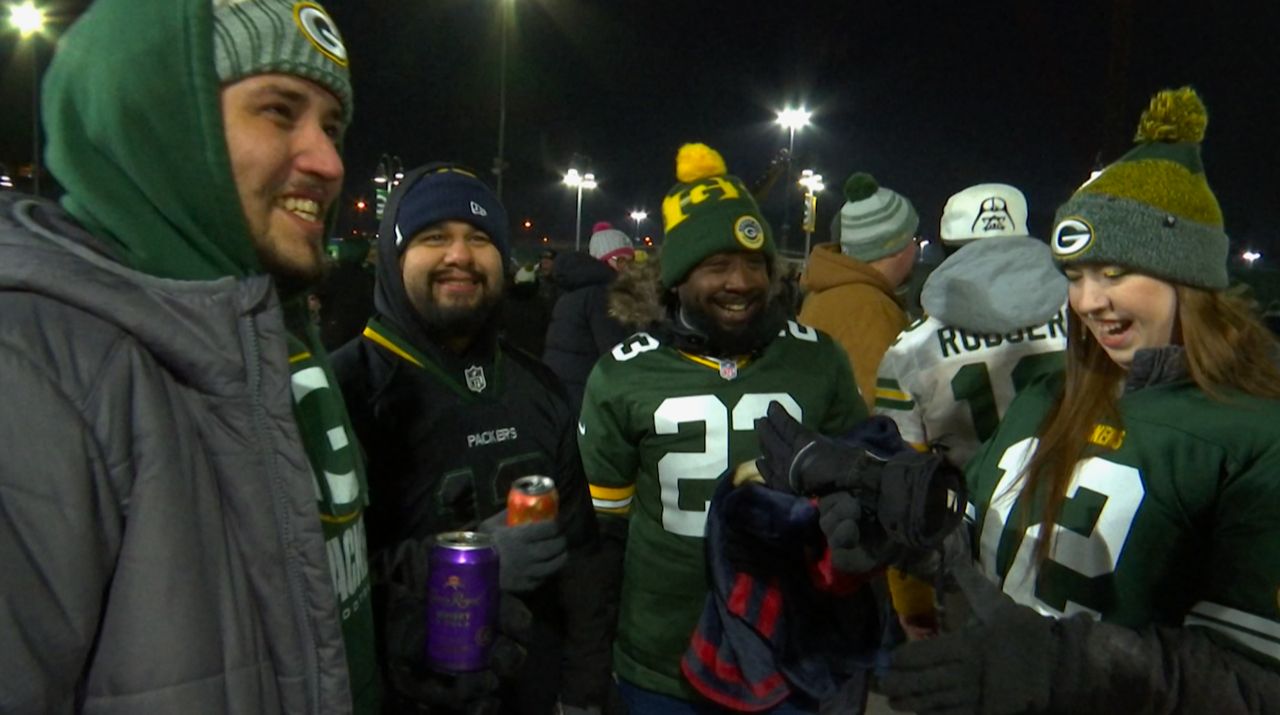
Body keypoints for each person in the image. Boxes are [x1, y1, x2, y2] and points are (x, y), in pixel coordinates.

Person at [766, 87, 1280, 714]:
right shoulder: (1049, 395)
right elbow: (988, 556)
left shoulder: (1257, 439)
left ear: (1190, 276)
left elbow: (1254, 683)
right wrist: (903, 532)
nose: (1090, 301)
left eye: (1114, 272)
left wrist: (1070, 665)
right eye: (1075, 275)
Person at [0, 0, 376, 712]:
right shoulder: (32, 365)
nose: (328, 161)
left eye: (332, 126)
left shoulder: (270, 329)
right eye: (278, 110)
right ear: (161, 120)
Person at [578, 143, 868, 713]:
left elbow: (856, 491)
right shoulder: (621, 374)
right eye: (717, 265)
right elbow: (599, 539)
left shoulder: (821, 360)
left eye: (755, 263)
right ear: (680, 278)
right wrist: (587, 657)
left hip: (792, 651)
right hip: (662, 660)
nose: (742, 281)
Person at [331, 164, 611, 714]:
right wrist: (466, 569)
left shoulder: (538, 385)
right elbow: (321, 582)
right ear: (394, 256)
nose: (460, 255)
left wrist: (582, 693)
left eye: (480, 238)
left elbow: (582, 562)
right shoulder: (345, 390)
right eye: (434, 237)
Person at [799, 173, 919, 410]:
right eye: (913, 238)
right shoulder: (867, 308)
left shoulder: (832, 291)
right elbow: (880, 410)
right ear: (895, 247)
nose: (916, 247)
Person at [543, 221, 634, 413]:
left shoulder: (576, 290)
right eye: (622, 261)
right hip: (584, 399)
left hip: (564, 394)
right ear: (604, 260)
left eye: (632, 261)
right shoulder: (601, 295)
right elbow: (617, 355)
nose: (629, 269)